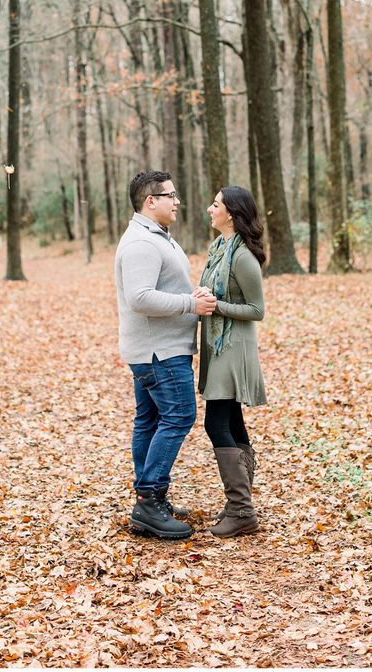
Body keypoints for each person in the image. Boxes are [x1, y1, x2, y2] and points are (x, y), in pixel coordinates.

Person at [115, 169, 217, 540]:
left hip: (157, 348)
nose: (177, 201)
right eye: (170, 195)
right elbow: (139, 297)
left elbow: (160, 287)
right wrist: (191, 304)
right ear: (150, 201)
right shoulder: (142, 242)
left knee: (150, 419)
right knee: (178, 416)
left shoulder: (155, 237)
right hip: (159, 351)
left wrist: (192, 294)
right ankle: (148, 500)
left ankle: (150, 497)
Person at [194, 186, 267, 537]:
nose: (210, 209)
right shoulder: (219, 249)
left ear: (233, 214)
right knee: (232, 422)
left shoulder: (242, 257)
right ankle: (240, 505)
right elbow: (213, 291)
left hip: (234, 348)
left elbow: (257, 310)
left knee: (216, 424)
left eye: (216, 204)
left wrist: (216, 306)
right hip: (218, 343)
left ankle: (241, 509)